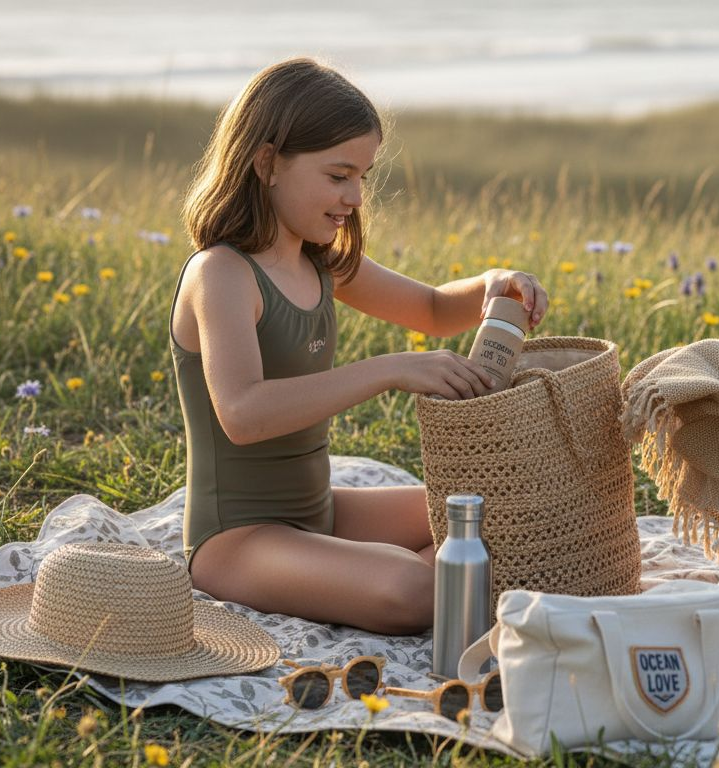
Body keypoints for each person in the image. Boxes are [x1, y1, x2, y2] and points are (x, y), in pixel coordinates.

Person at [172, 58, 548, 634]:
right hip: (239, 538)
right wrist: (389, 370)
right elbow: (243, 414)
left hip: (321, 512)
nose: (354, 196)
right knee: (415, 587)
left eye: (363, 177)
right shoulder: (221, 273)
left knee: (493, 510)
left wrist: (494, 282)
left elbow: (431, 310)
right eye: (337, 175)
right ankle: (432, 587)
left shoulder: (320, 262)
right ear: (267, 162)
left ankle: (431, 585)